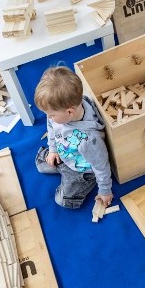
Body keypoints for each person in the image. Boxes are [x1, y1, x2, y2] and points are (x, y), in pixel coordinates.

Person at [33, 67, 113, 210]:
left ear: (70, 112)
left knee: (63, 201)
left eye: (51, 115)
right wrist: (53, 150)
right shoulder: (58, 111)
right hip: (65, 154)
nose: (48, 117)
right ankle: (62, 168)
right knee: (40, 164)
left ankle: (73, 181)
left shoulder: (89, 140)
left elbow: (101, 166)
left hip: (82, 171)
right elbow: (51, 128)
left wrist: (105, 190)